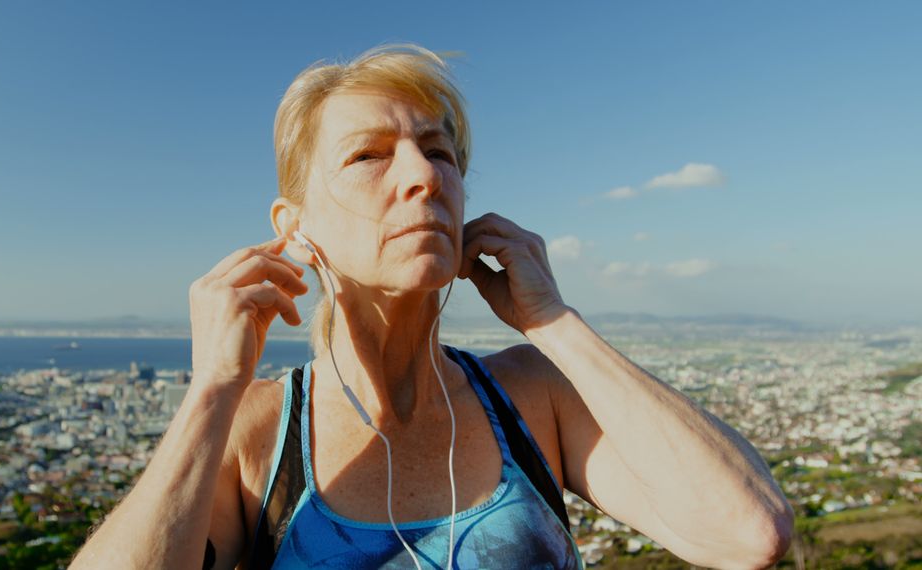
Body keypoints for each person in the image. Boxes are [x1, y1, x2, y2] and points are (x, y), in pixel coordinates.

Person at [70, 44, 794, 569]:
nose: (423, 177)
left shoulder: (531, 399)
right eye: (368, 156)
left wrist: (555, 324)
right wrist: (212, 392)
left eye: (439, 152)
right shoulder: (257, 434)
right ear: (296, 228)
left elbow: (747, 533)